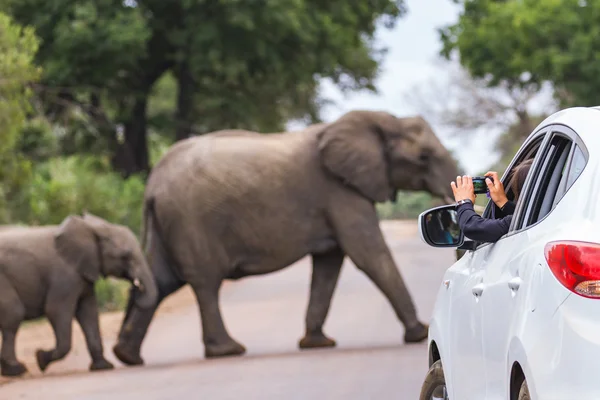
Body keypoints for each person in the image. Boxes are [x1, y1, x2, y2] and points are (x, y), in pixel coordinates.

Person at [451, 158, 533, 243]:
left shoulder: (525, 220)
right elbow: (519, 215)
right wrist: (503, 202)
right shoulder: (536, 216)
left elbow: (473, 228)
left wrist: (463, 203)